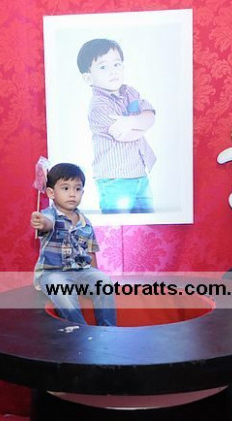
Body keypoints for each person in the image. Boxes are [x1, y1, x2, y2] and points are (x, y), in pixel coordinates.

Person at [31, 163, 116, 326]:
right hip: (53, 273)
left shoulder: (86, 223)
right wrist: (42, 222)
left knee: (103, 281)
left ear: (82, 192)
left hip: (81, 271)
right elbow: (48, 223)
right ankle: (80, 329)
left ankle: (108, 329)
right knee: (60, 288)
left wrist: (94, 276)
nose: (72, 194)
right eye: (65, 188)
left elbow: (90, 253)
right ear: (51, 193)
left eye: (77, 189)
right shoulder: (49, 215)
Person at [77, 38, 156, 214]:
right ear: (88, 77)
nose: (113, 71)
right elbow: (125, 135)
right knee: (118, 223)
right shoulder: (99, 106)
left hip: (140, 175)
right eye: (103, 67)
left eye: (117, 64)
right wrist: (141, 123)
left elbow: (150, 116)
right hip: (114, 180)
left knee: (148, 222)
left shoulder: (130, 93)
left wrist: (130, 122)